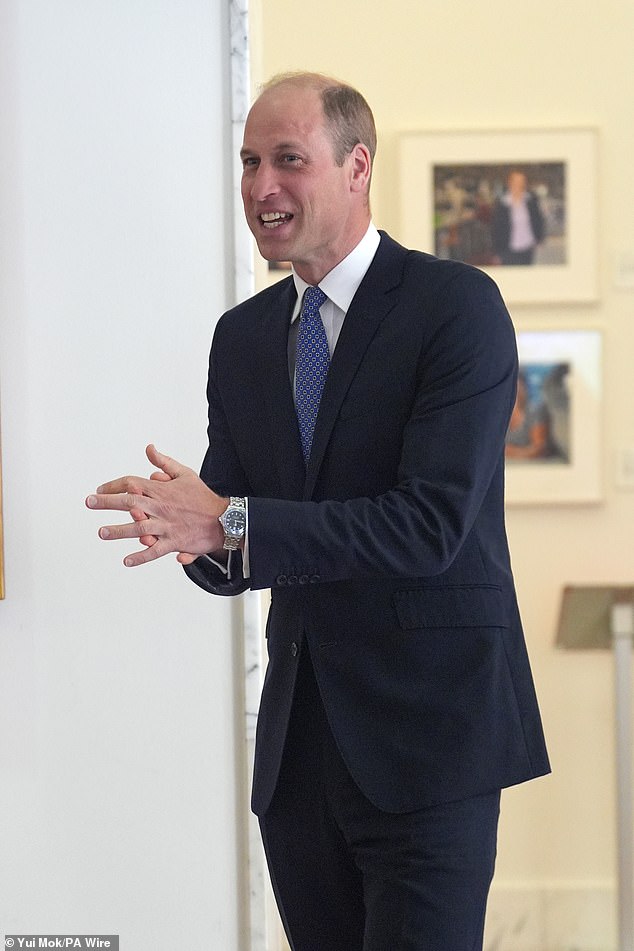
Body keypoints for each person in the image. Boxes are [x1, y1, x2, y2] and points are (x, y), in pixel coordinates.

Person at [86, 72, 550, 951]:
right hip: (300, 765)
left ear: (357, 166)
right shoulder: (245, 337)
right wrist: (182, 526)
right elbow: (237, 539)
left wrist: (226, 520)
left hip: (429, 750)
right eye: (250, 162)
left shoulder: (455, 308)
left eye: (288, 160)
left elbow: (428, 526)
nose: (262, 186)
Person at [491, 169, 545, 265]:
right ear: (510, 183)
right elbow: (495, 230)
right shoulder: (502, 204)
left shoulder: (531, 201)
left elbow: (539, 220)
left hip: (528, 248)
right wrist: (496, 253)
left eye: (521, 182)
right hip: (507, 250)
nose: (519, 185)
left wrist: (539, 239)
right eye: (516, 182)